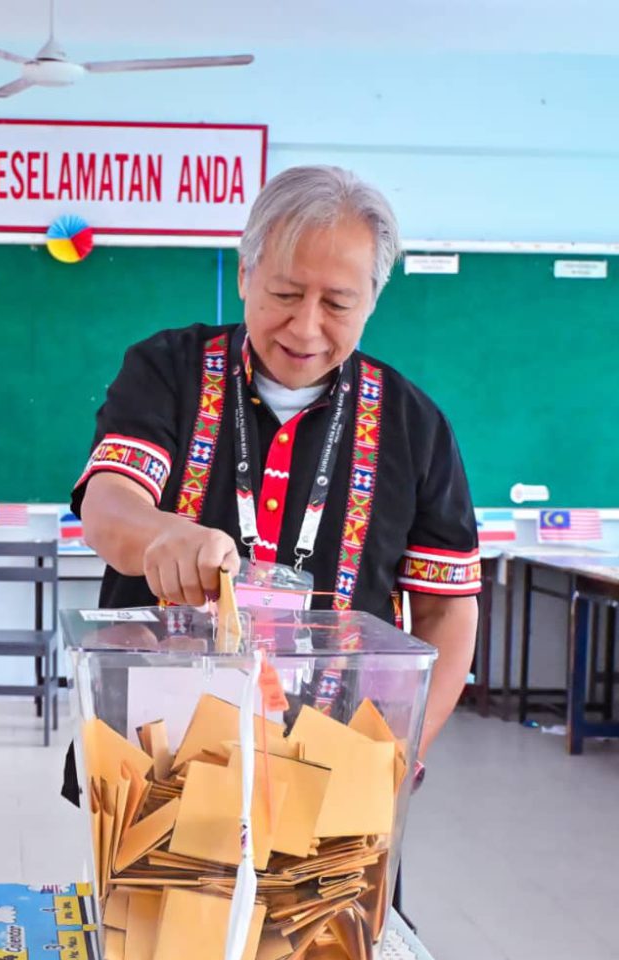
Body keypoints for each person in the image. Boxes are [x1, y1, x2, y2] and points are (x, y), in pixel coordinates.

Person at [67, 165, 479, 798]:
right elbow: (108, 504)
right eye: (286, 294)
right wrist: (162, 537)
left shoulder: (412, 423)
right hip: (156, 759)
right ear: (244, 275)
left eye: (338, 303)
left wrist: (397, 757)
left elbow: (446, 608)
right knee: (156, 900)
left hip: (334, 776)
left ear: (371, 300)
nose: (307, 327)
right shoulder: (168, 371)